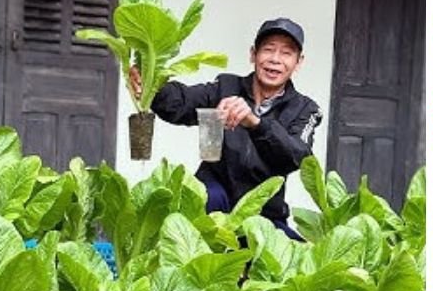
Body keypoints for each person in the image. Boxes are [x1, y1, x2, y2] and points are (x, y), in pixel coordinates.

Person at [131, 18, 322, 240]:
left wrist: (256, 124)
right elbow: (182, 102)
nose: (275, 59)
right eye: (268, 49)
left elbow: (296, 155)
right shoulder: (226, 87)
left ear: (298, 62)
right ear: (253, 54)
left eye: (286, 53)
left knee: (298, 254)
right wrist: (152, 86)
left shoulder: (305, 109)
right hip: (214, 201)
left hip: (262, 214)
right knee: (202, 205)